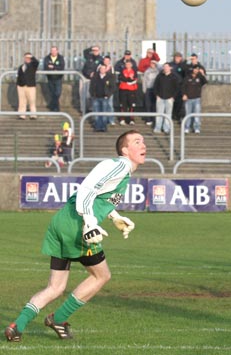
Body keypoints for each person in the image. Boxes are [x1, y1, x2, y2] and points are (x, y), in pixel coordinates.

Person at [4, 130, 146, 342]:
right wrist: (89, 221)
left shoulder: (123, 171)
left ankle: (17, 326)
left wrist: (115, 216)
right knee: (101, 275)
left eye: (143, 141)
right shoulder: (120, 165)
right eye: (137, 142)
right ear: (125, 150)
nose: (143, 145)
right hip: (77, 226)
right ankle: (58, 319)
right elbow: (87, 189)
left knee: (55, 287)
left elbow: (100, 198)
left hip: (62, 221)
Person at [153, 62, 179, 134]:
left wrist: (173, 97)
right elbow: (155, 86)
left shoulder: (174, 77)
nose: (165, 68)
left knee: (168, 114)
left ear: (170, 68)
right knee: (159, 113)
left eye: (167, 67)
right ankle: (158, 128)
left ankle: (166, 128)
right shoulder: (160, 76)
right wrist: (156, 95)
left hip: (169, 98)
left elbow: (177, 88)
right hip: (160, 97)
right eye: (164, 67)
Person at [89, 64, 116, 132]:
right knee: (96, 113)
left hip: (105, 98)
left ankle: (103, 127)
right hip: (96, 97)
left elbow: (112, 87)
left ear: (106, 70)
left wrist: (108, 95)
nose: (102, 70)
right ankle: (97, 127)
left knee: (104, 113)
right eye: (101, 69)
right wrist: (93, 95)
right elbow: (91, 87)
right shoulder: (95, 77)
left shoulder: (109, 77)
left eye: (104, 69)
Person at [182, 64, 208, 134]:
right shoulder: (187, 77)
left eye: (197, 69)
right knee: (188, 114)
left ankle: (197, 128)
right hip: (188, 99)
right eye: (195, 69)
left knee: (197, 115)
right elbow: (183, 86)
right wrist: (184, 94)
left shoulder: (200, 77)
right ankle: (187, 128)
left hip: (197, 98)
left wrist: (202, 74)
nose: (196, 70)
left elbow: (205, 82)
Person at [16, 52, 39, 120]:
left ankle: (33, 115)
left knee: (32, 100)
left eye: (28, 58)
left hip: (30, 86)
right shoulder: (21, 66)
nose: (27, 59)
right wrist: (18, 84)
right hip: (21, 86)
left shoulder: (33, 65)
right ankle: (22, 115)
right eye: (26, 57)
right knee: (22, 101)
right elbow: (18, 76)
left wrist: (32, 57)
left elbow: (37, 62)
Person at [43, 46, 65, 112]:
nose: (53, 52)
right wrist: (55, 68)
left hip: (58, 78)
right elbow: (46, 67)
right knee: (52, 93)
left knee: (57, 93)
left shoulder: (60, 58)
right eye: (52, 50)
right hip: (50, 78)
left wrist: (53, 67)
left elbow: (61, 67)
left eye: (54, 50)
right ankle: (55, 107)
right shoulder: (47, 58)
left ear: (57, 51)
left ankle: (53, 106)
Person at [118, 60, 139, 126]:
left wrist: (129, 80)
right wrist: (128, 79)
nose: (128, 65)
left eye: (129, 64)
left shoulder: (134, 71)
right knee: (123, 105)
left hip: (132, 90)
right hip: (123, 89)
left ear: (131, 65)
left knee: (131, 105)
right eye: (127, 64)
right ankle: (122, 119)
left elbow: (134, 79)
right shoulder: (122, 71)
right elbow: (121, 78)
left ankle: (131, 119)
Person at [169, 52, 188, 122]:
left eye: (179, 57)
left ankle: (179, 116)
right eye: (176, 57)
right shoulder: (170, 65)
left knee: (181, 102)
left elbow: (185, 72)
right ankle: (172, 115)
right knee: (172, 101)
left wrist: (183, 63)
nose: (177, 58)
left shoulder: (183, 65)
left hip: (180, 86)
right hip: (172, 86)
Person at [142, 60, 161, 126]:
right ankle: (148, 119)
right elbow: (144, 81)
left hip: (156, 90)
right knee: (148, 105)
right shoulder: (147, 71)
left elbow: (161, 67)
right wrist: (144, 89)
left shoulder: (158, 71)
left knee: (154, 105)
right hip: (148, 89)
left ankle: (154, 119)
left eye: (154, 63)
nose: (152, 64)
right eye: (151, 63)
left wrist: (156, 62)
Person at [102, 55, 116, 126]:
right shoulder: (101, 67)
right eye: (105, 60)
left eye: (107, 61)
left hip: (109, 90)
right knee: (103, 106)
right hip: (102, 90)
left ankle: (111, 120)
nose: (106, 62)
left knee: (110, 105)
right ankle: (104, 120)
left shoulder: (112, 68)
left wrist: (111, 90)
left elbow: (113, 80)